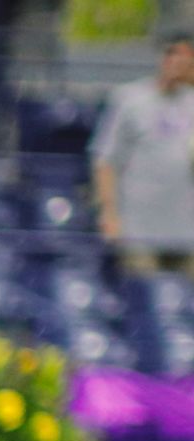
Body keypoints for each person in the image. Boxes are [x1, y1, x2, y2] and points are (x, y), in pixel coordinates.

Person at [91, 35, 194, 276]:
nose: (177, 62)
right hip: (139, 228)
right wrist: (109, 212)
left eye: (185, 57)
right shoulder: (129, 98)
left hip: (187, 229)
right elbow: (106, 159)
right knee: (146, 299)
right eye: (172, 54)